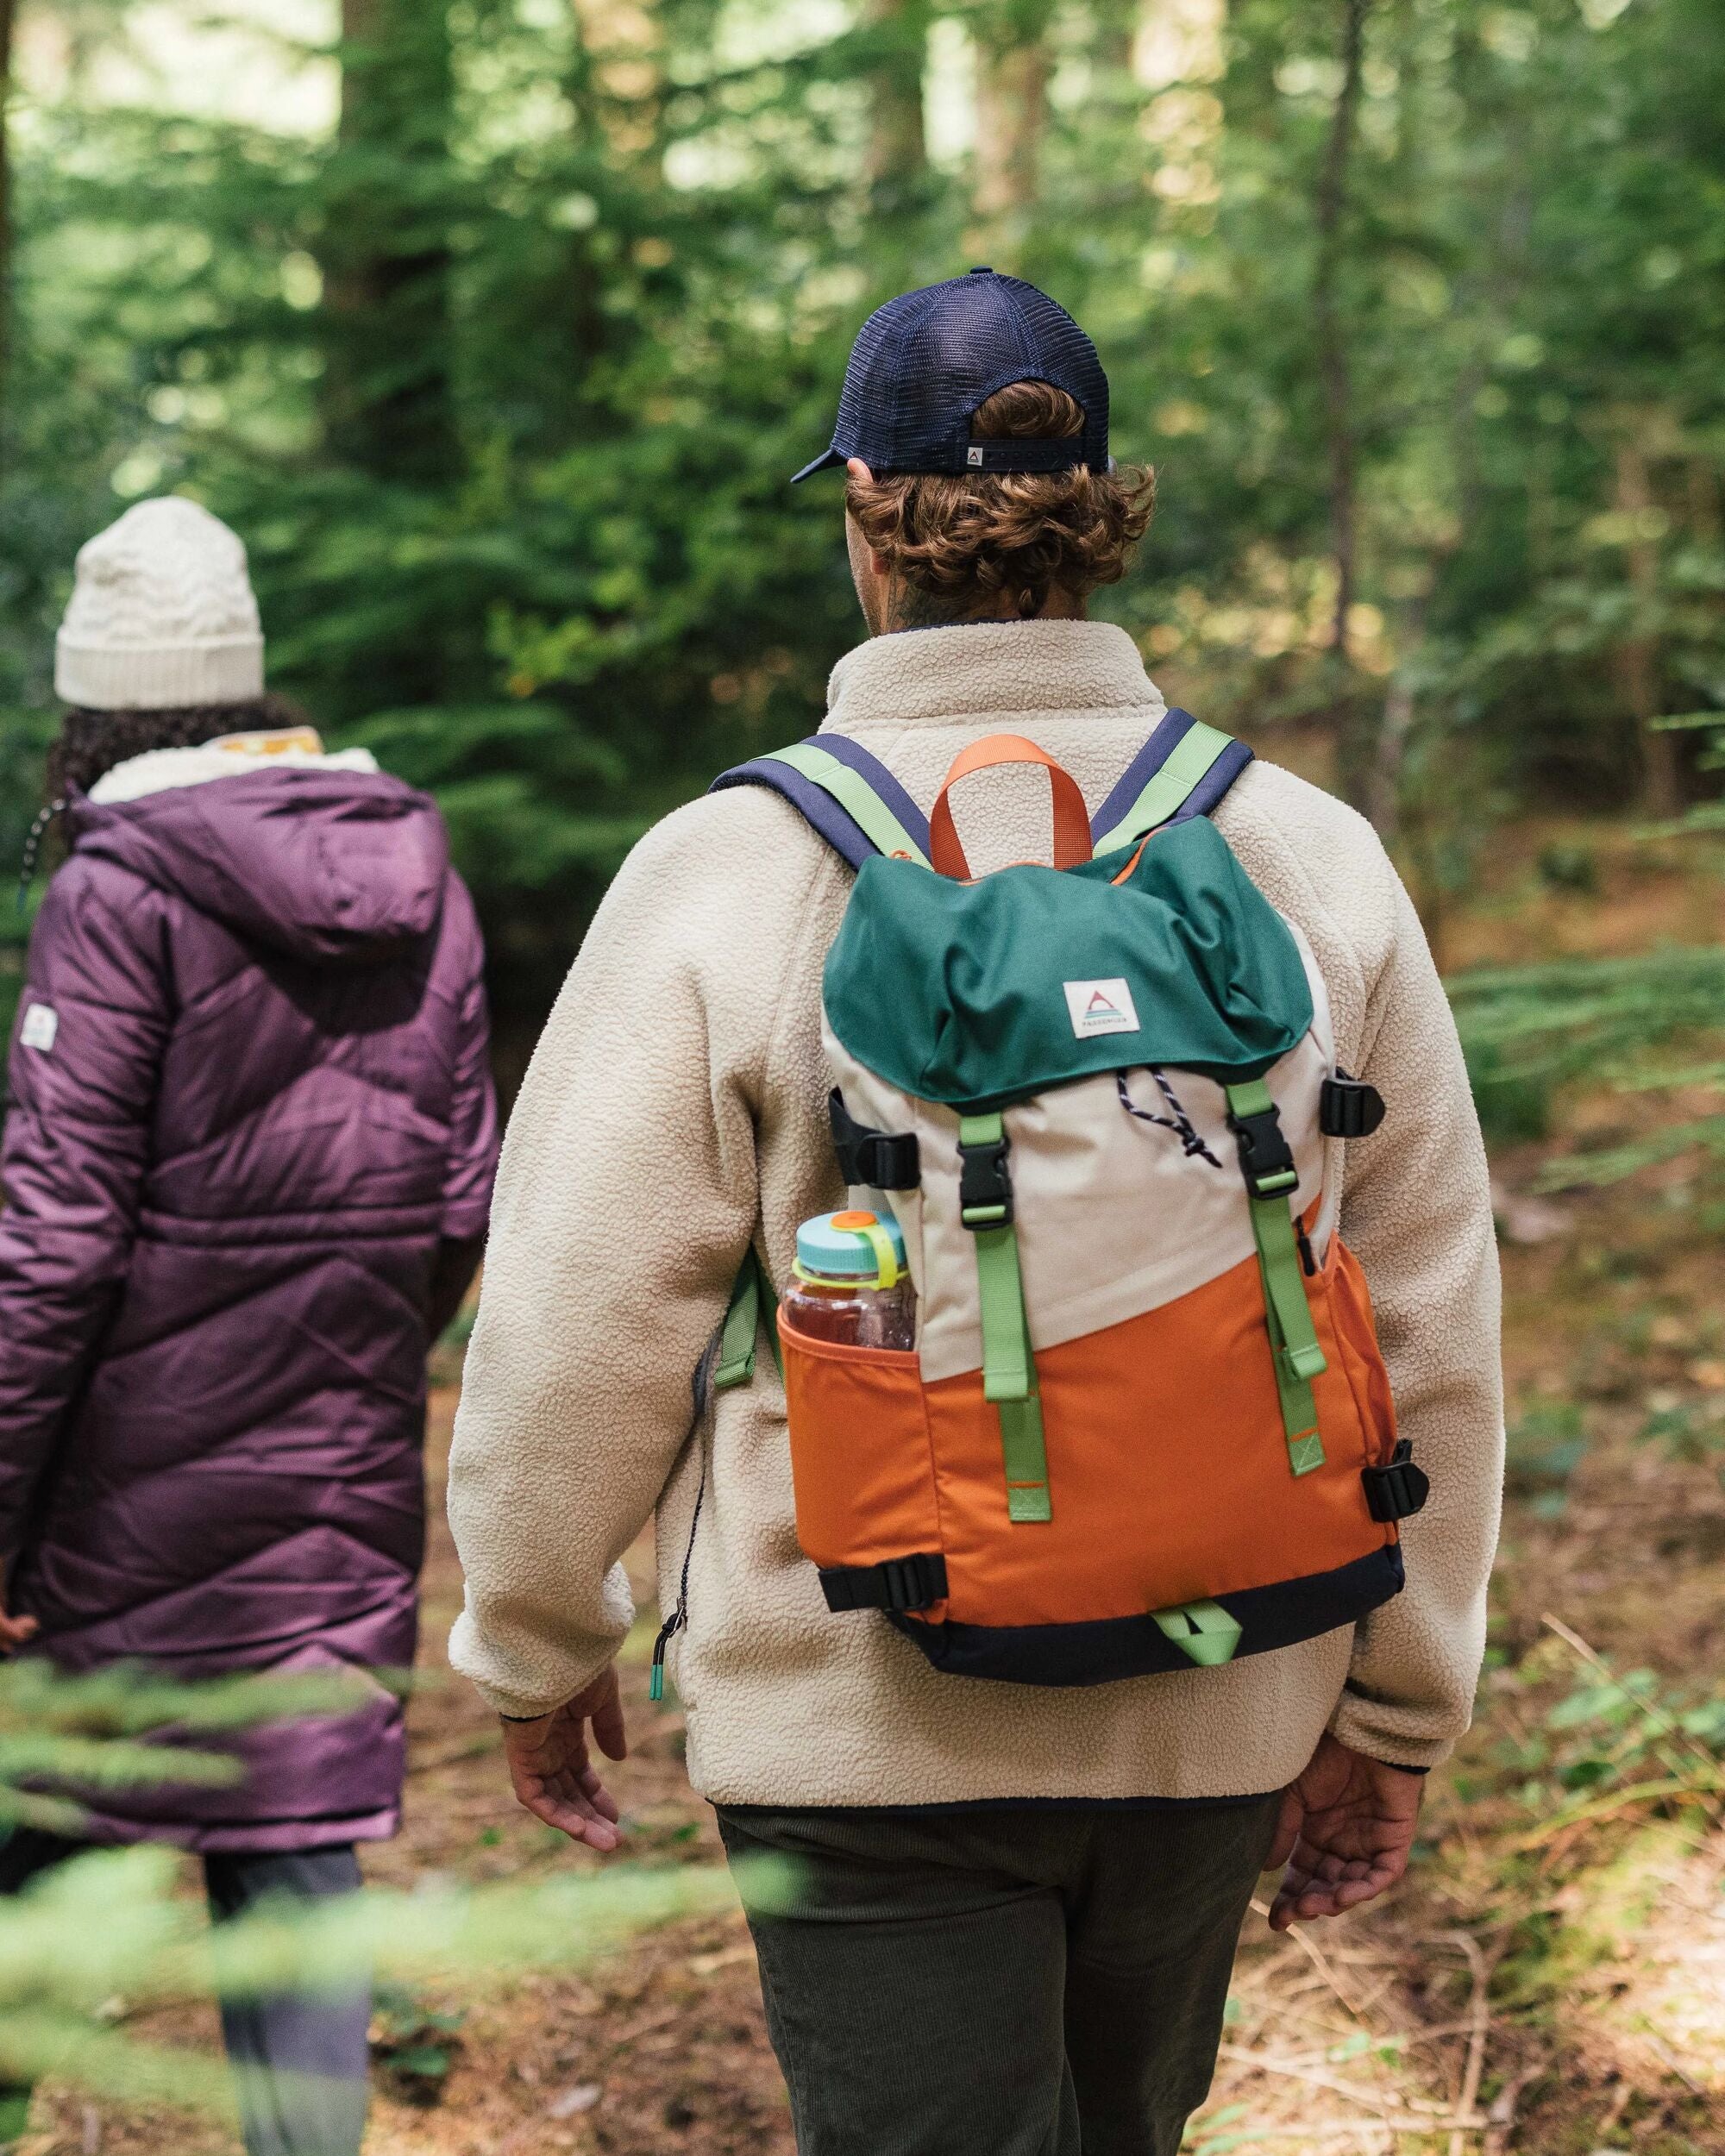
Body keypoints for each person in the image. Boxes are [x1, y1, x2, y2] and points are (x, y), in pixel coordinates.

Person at [446, 271, 1502, 2156]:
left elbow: (575, 1314)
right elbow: (1425, 1309)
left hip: (858, 1708)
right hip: (1227, 1680)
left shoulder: (731, 867)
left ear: (864, 514)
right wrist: (1397, 1705)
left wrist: (537, 1639)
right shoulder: (1302, 851)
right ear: (1105, 516)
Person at [0, 496, 499, 2156]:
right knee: (290, 1879)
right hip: (325, 1477)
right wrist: (351, 1360)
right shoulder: (419, 870)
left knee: (36, 1848)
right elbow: (458, 1204)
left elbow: (52, 1246)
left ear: (96, 704)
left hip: (115, 1504)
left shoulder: (117, 889)